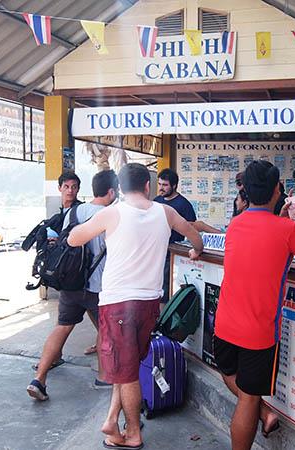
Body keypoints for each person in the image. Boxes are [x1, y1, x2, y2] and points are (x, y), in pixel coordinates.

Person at [67, 163, 203, 450]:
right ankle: (111, 419)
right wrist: (196, 250)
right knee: (127, 364)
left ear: (119, 188)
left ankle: (132, 433)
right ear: (147, 186)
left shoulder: (112, 213)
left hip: (117, 304)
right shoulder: (165, 212)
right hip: (149, 303)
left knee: (126, 372)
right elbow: (194, 235)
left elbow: (73, 238)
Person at [214, 160, 295, 450]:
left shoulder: (235, 224)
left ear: (247, 192)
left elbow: (262, 236)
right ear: (278, 189)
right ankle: (259, 412)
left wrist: (283, 219)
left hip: (224, 325)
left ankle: (264, 413)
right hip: (258, 334)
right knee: (249, 398)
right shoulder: (287, 230)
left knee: (232, 377)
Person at [27, 170, 119, 402]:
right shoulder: (114, 215)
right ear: (112, 191)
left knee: (62, 326)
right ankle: (103, 377)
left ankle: (39, 378)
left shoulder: (74, 211)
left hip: (70, 283)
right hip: (99, 286)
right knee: (106, 330)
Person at [154, 168, 197, 305]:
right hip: (154, 253)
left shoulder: (184, 205)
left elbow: (193, 228)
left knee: (165, 293)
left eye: (165, 185)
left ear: (174, 186)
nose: (161, 188)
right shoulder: (156, 201)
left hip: (170, 256)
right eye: (160, 184)